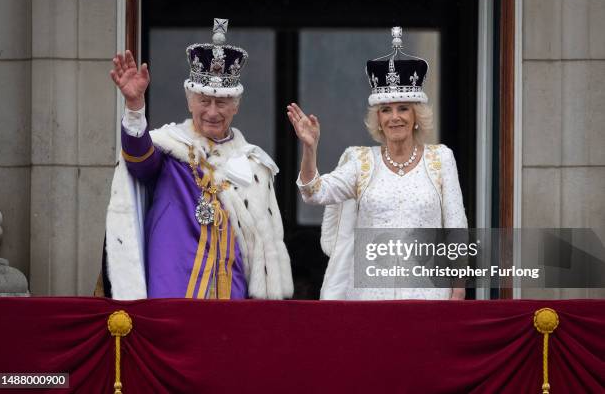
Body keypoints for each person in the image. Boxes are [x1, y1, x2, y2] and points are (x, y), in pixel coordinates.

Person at [97, 18, 293, 300]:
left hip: (231, 293)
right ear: (190, 102)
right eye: (204, 101)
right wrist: (134, 108)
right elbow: (139, 159)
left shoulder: (253, 165)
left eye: (221, 102)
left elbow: (260, 247)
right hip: (173, 288)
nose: (212, 111)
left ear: (235, 106)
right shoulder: (170, 150)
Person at [287, 27, 467, 300]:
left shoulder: (441, 159)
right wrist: (310, 149)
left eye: (403, 108)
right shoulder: (361, 162)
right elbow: (315, 192)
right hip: (371, 297)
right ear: (378, 119)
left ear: (416, 115)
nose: (395, 117)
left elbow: (456, 227)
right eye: (386, 110)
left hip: (428, 296)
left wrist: (458, 289)